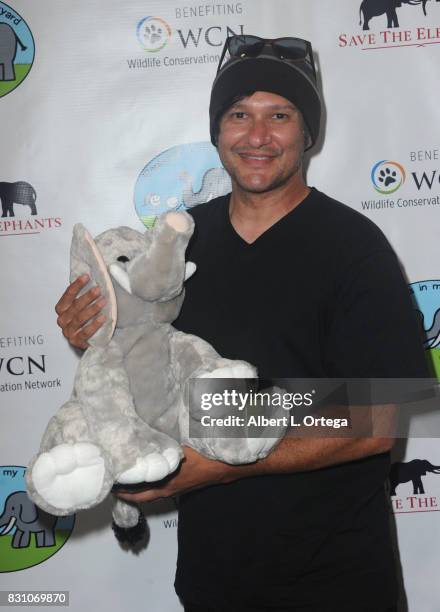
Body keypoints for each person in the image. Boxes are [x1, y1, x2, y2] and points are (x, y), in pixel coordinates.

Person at [55, 35, 428, 612]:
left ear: (308, 133)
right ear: (217, 130)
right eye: (239, 115)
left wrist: (225, 462)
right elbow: (145, 359)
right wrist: (93, 327)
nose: (257, 137)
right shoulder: (175, 246)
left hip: (338, 584)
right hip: (214, 582)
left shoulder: (354, 247)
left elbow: (381, 414)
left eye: (279, 115)